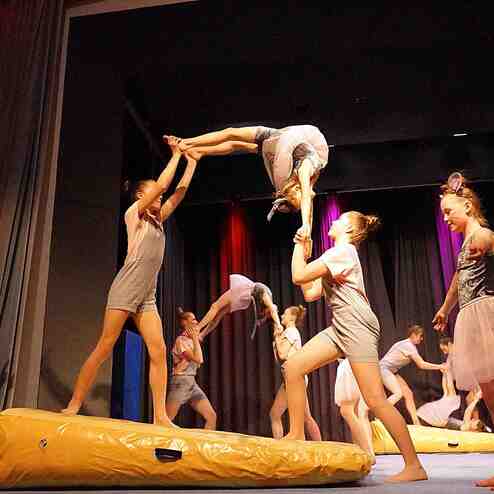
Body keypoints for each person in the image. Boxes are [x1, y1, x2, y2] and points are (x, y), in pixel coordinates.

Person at [284, 210, 427, 483]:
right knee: (293, 368)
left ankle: (414, 465)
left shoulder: (343, 251)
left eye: (339, 219)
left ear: (349, 229)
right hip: (340, 327)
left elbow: (298, 276)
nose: (333, 221)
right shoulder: (335, 256)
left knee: (375, 400)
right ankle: (296, 435)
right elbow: (310, 292)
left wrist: (299, 246)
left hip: (358, 326)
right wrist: (301, 250)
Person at [62, 138, 197, 427]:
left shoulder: (159, 220)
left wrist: (192, 164)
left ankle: (160, 416)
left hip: (147, 296)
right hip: (126, 288)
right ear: (139, 195)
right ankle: (74, 403)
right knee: (105, 345)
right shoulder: (133, 215)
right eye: (153, 193)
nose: (159, 197)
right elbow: (163, 186)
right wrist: (176, 155)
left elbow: (178, 194)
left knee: (158, 351)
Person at [165, 124, 328, 257]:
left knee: (235, 142)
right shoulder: (307, 166)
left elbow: (307, 199)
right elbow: (307, 199)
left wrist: (308, 233)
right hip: (288, 139)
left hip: (276, 143)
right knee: (231, 132)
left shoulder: (284, 179)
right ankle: (186, 142)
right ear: (295, 191)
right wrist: (306, 226)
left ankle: (197, 151)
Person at [432, 172, 494, 487]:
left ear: (467, 206)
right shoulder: (463, 246)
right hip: (470, 316)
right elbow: (458, 279)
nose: (445, 219)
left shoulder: (481, 234)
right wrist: (445, 309)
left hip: (486, 314)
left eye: (449, 212)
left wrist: (486, 241)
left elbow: (488, 239)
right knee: (490, 394)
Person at [270, 305, 321, 440]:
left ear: (292, 317)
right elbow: (279, 360)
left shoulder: (291, 332)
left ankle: (278, 448)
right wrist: (277, 338)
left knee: (275, 414)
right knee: (306, 417)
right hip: (293, 378)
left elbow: (282, 354)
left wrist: (277, 338)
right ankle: (321, 446)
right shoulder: (289, 332)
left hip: (294, 379)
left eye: (285, 314)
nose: (282, 316)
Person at [379, 325, 446, 425]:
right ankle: (380, 414)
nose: (421, 339)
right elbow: (421, 365)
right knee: (398, 393)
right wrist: (440, 366)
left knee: (408, 394)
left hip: (390, 370)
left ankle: (416, 423)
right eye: (420, 336)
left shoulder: (406, 344)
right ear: (413, 335)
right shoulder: (408, 346)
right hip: (384, 369)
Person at [166, 308, 217, 429]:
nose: (196, 322)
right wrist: (195, 338)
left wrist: (219, 310)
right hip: (180, 382)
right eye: (193, 319)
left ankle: (206, 441)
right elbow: (199, 359)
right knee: (166, 420)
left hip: (191, 383)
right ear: (185, 323)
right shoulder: (181, 341)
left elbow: (212, 323)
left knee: (211, 416)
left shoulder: (193, 339)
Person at [193, 274, 282, 341]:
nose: (265, 314)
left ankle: (198, 329)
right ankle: (201, 335)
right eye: (268, 313)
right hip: (245, 292)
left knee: (216, 307)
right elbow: (273, 309)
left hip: (244, 295)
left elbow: (270, 313)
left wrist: (276, 325)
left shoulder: (267, 307)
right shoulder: (267, 298)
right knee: (218, 311)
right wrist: (278, 323)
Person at [334, 358, 375, 462]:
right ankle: (365, 452)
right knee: (357, 413)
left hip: (349, 365)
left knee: (347, 411)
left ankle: (368, 453)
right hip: (356, 365)